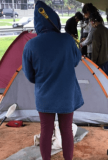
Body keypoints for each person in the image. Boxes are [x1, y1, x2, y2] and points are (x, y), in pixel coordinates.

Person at [22, 1, 84, 160]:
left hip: (44, 94)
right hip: (66, 93)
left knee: (46, 130)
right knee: (66, 129)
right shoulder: (68, 40)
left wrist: (43, 79)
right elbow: (76, 61)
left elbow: (29, 75)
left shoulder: (30, 45)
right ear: (55, 20)